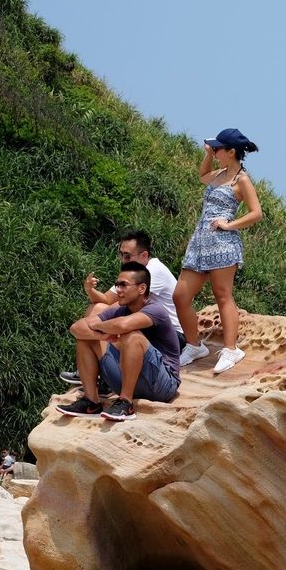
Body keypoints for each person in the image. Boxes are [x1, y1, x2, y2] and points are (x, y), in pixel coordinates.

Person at [175, 128, 263, 374]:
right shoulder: (219, 173)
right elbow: (203, 175)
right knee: (180, 296)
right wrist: (207, 155)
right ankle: (194, 346)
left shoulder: (241, 180)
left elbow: (257, 212)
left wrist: (229, 224)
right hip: (200, 243)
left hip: (223, 243)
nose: (214, 152)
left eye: (217, 149)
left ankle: (231, 349)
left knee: (222, 295)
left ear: (231, 152)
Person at [57, 261, 181, 421]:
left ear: (141, 288)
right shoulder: (121, 308)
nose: (118, 290)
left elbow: (123, 325)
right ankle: (91, 402)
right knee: (85, 338)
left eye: (123, 285)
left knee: (132, 335)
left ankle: (126, 402)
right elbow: (76, 328)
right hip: (134, 379)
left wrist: (99, 326)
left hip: (163, 384)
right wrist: (101, 336)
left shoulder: (155, 309)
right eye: (117, 285)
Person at [59, 230, 185, 385]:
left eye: (127, 256)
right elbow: (106, 300)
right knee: (97, 308)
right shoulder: (134, 272)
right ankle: (93, 369)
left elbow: (115, 306)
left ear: (144, 256)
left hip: (169, 335)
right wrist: (90, 290)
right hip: (145, 325)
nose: (123, 260)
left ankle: (101, 372)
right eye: (121, 255)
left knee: (111, 323)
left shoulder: (153, 271)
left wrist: (96, 326)